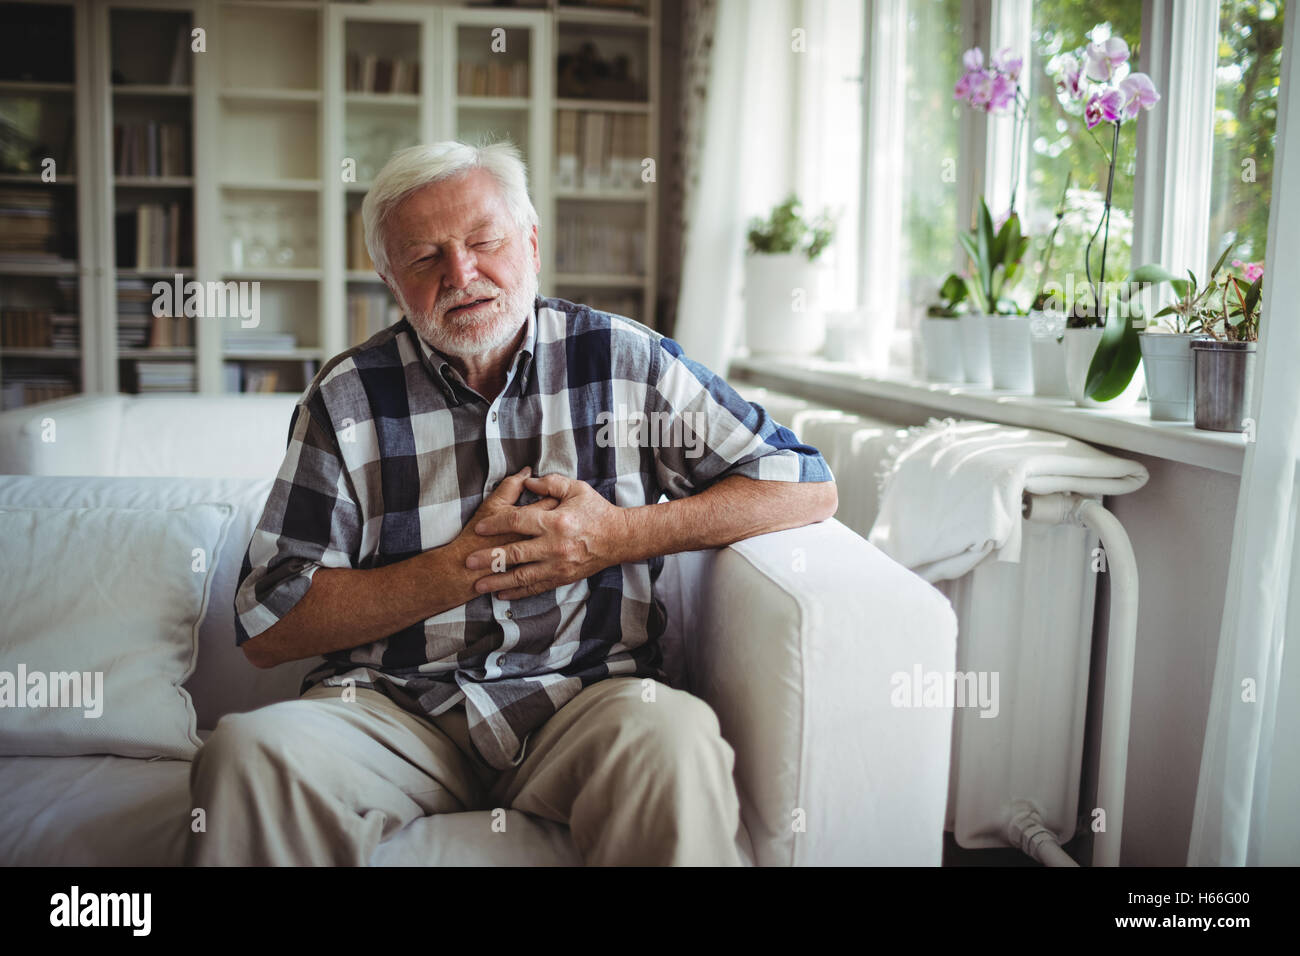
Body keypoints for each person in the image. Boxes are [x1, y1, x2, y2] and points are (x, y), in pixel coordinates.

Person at [184, 140, 837, 866]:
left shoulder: (624, 360)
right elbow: (268, 622)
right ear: (390, 279)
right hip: (393, 711)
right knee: (247, 753)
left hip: (586, 700)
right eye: (425, 257)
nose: (461, 275)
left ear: (530, 240)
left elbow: (805, 482)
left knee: (676, 741)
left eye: (483, 241)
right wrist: (456, 570)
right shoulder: (346, 398)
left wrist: (619, 535)